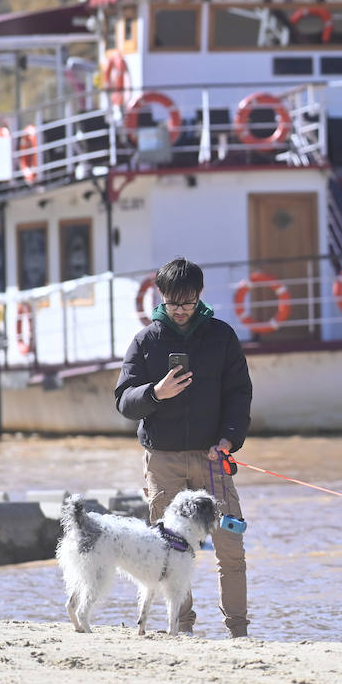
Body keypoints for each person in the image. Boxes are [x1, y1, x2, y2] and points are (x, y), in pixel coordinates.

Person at [115, 257, 254, 638]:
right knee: (169, 551)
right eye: (173, 302)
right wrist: (155, 393)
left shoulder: (222, 337)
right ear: (161, 297)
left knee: (230, 546)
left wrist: (229, 438)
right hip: (164, 461)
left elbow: (239, 395)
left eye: (188, 302)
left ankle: (239, 632)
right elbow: (124, 403)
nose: (180, 310)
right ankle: (183, 628)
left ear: (199, 296)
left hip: (213, 458)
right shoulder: (146, 341)